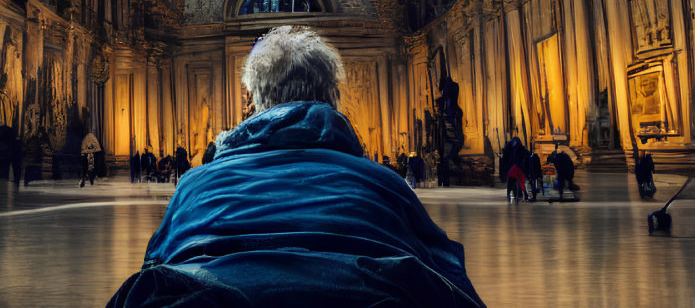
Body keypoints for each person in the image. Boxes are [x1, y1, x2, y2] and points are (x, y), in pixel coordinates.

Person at [107, 25, 484, 307]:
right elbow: (452, 281)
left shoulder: (194, 186)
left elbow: (155, 265)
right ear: (333, 99)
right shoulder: (385, 184)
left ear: (253, 101)